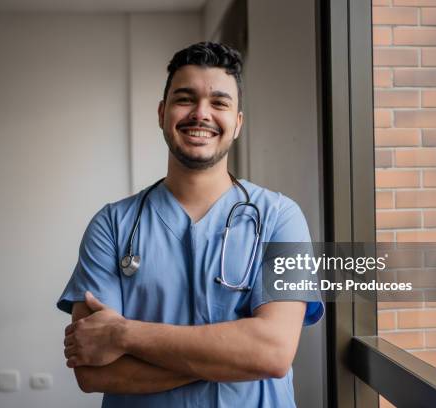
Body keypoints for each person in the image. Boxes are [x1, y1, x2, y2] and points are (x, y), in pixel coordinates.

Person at [56, 41, 323, 407]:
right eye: (185, 99)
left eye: (219, 103)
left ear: (238, 123)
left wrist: (124, 335)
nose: (201, 113)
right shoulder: (111, 226)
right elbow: (93, 373)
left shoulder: (282, 217)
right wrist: (232, 357)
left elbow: (273, 353)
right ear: (163, 112)